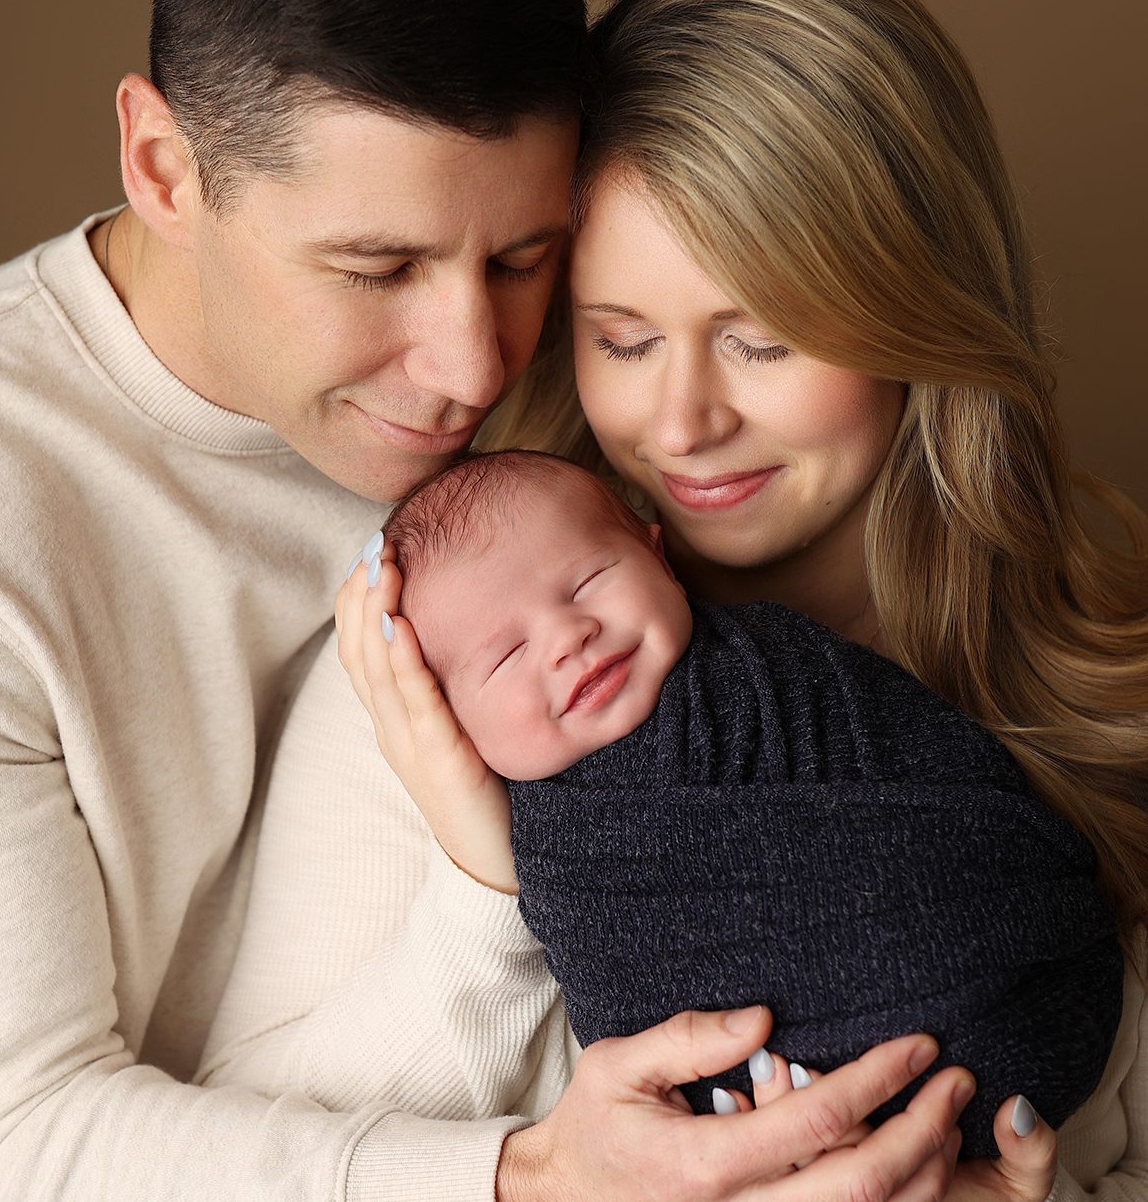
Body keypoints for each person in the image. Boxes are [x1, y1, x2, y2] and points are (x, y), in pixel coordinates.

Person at [0, 0, 975, 1202]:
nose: (471, 363)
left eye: (522, 258)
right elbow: (6, 1149)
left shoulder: (620, 405)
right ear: (166, 167)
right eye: (376, 269)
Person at [224, 0, 1147, 1202]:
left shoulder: (1095, 689)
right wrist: (488, 896)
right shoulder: (451, 669)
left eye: (763, 337)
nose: (684, 419)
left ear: (915, 309)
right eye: (624, 338)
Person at [360, 445, 1122, 1162]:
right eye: (506, 655)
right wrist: (484, 868)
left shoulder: (778, 662)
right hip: (784, 1119)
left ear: (657, 556)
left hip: (1032, 974)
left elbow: (942, 762)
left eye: (589, 580)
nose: (567, 636)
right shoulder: (551, 848)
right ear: (444, 718)